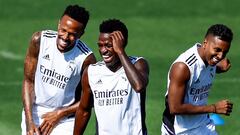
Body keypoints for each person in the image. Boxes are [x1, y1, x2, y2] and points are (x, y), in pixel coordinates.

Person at [21, 5, 96, 135]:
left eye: (73, 34)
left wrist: (60, 114)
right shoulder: (39, 41)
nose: (65, 37)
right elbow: (28, 81)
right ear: (58, 24)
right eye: (63, 30)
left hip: (65, 120)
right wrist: (29, 121)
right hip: (35, 113)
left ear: (81, 34)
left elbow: (90, 99)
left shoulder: (86, 59)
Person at [73, 19, 150, 135]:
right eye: (100, 45)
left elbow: (139, 86)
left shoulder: (138, 64)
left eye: (109, 46)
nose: (103, 50)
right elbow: (84, 110)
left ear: (122, 44)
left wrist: (120, 51)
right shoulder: (92, 72)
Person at [161, 24, 234, 135]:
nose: (220, 56)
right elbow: (175, 108)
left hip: (203, 125)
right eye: (217, 50)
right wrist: (214, 108)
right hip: (180, 130)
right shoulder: (183, 68)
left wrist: (218, 68)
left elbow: (203, 70)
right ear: (205, 43)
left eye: (225, 52)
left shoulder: (210, 60)